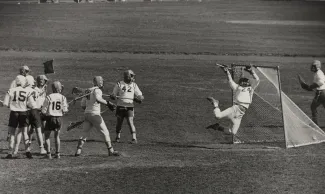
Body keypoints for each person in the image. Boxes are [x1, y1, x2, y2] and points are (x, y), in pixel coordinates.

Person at [206, 64, 260, 141]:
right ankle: (215, 103)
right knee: (218, 116)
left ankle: (217, 127)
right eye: (244, 82)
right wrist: (227, 71)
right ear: (241, 82)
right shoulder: (237, 87)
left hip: (240, 115)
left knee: (233, 132)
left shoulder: (251, 88)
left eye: (247, 82)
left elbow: (257, 80)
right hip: (235, 109)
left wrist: (251, 71)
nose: (246, 83)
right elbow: (230, 80)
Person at [75, 76, 120, 157]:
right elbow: (99, 99)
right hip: (95, 115)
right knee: (105, 132)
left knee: (84, 133)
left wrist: (89, 110)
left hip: (87, 114)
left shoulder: (88, 90)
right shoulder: (98, 90)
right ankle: (111, 151)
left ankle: (78, 150)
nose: (102, 82)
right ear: (99, 82)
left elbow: (82, 105)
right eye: (102, 81)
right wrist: (108, 103)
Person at [2, 75, 35, 159]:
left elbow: (5, 103)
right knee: (25, 132)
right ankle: (28, 151)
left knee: (12, 133)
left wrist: (12, 105)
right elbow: (32, 105)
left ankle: (10, 152)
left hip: (14, 113)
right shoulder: (27, 92)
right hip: (24, 113)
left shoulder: (11, 90)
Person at [110, 70, 144, 144]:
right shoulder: (119, 84)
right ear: (127, 76)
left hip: (130, 107)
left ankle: (134, 138)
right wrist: (113, 96)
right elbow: (113, 95)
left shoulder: (134, 85)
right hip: (120, 106)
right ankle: (117, 137)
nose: (133, 77)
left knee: (130, 122)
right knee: (119, 122)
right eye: (131, 76)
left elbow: (140, 95)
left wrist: (140, 98)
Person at [41, 81, 68, 159]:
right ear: (59, 88)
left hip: (50, 119)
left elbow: (43, 110)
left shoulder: (49, 97)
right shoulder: (63, 97)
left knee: (47, 136)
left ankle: (48, 154)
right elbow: (65, 111)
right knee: (57, 137)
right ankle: (57, 154)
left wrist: (43, 113)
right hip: (58, 119)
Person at [25, 75, 47, 155]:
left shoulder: (43, 89)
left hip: (40, 111)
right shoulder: (35, 89)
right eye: (43, 80)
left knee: (41, 128)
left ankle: (43, 144)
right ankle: (36, 145)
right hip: (36, 111)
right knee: (35, 129)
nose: (43, 81)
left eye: (44, 80)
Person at [303, 60, 325, 125]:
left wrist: (311, 86)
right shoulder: (318, 73)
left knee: (313, 107)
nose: (312, 68)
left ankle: (315, 124)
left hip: (321, 93)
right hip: (322, 92)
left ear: (317, 67)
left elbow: (321, 83)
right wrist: (309, 88)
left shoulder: (318, 73)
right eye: (312, 66)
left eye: (314, 66)